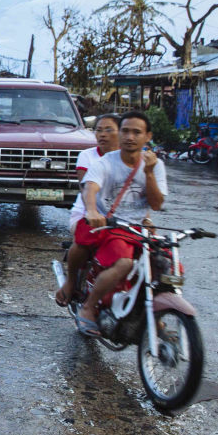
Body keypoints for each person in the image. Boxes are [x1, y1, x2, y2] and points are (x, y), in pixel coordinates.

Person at [71, 111, 167, 337]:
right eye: (125, 131)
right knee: (124, 263)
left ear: (147, 136)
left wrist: (150, 173)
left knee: (162, 265)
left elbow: (156, 204)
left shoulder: (156, 165)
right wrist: (93, 210)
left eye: (137, 132)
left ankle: (153, 315)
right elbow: (90, 188)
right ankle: (88, 307)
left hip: (137, 229)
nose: (130, 137)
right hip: (109, 226)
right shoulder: (105, 163)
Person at [55, 114, 120, 307]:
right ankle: (71, 282)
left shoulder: (130, 158)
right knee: (84, 237)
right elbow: (85, 188)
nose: (102, 135)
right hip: (86, 212)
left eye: (109, 130)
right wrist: (92, 212)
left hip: (119, 216)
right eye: (99, 130)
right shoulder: (88, 155)